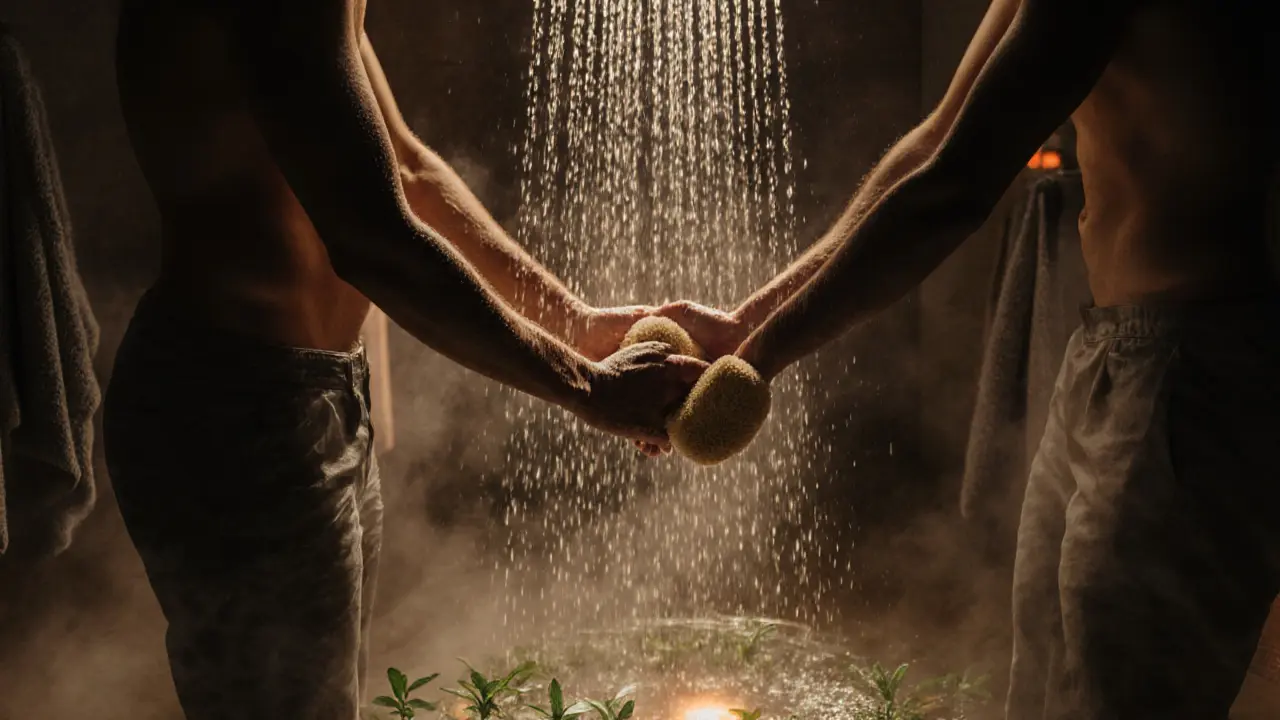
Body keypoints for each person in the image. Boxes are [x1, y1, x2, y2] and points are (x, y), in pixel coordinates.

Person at [665, 0, 1279, 717]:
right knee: (1045, 677)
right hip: (1110, 351)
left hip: (1192, 372)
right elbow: (931, 144)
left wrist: (761, 359)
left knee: (1124, 694)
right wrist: (748, 324)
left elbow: (956, 187)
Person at [104, 0, 707, 717]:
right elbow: (370, 240)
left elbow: (410, 171)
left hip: (313, 397)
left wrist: (574, 323)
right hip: (232, 407)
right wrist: (584, 386)